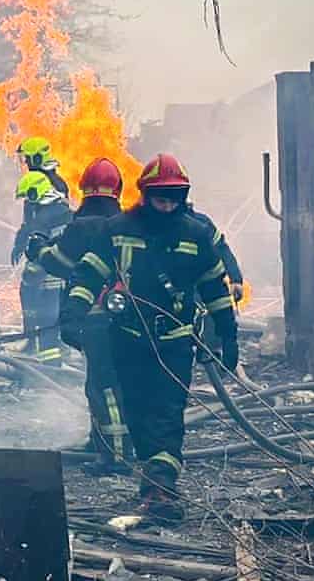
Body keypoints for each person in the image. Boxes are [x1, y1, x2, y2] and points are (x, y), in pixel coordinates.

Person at [61, 153, 239, 521]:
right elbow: (90, 272)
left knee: (167, 416)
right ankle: (153, 484)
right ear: (144, 193)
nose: (168, 204)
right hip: (127, 340)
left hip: (174, 342)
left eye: (174, 197)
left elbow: (214, 287)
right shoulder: (120, 228)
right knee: (139, 416)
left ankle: (162, 490)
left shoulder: (196, 234)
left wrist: (228, 332)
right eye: (161, 197)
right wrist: (73, 312)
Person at [28, 157, 130, 471]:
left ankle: (115, 455)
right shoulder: (128, 224)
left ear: (84, 190)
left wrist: (39, 249)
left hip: (95, 315)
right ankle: (100, 440)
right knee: (114, 381)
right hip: (128, 317)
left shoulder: (81, 226)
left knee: (103, 385)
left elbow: (61, 262)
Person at [14, 171, 72, 365]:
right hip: (66, 276)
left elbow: (35, 248)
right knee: (57, 320)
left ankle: (50, 366)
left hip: (48, 277)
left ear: (35, 193)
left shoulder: (43, 216)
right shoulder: (65, 210)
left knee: (46, 321)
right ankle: (58, 350)